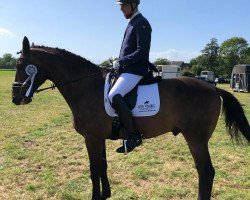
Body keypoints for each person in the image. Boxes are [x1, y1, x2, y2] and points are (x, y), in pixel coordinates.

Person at [108, 0, 152, 153]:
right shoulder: (132, 23)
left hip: (136, 70)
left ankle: (133, 136)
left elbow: (142, 52)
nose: (121, 9)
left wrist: (121, 61)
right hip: (127, 69)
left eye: (123, 5)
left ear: (133, 4)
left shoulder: (142, 23)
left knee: (114, 94)